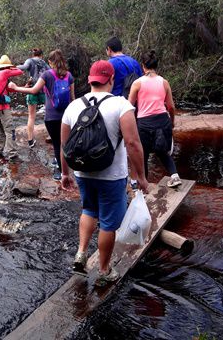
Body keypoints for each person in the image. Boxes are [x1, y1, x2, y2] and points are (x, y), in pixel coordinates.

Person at [60, 60, 149, 286]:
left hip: (82, 173)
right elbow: (133, 143)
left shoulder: (73, 106)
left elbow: (65, 145)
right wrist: (141, 176)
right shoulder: (121, 105)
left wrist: (65, 173)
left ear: (90, 80)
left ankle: (81, 253)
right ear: (111, 79)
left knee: (89, 209)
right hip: (112, 176)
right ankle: (103, 270)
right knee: (108, 223)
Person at [9, 49, 74, 180]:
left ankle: (60, 172)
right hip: (67, 116)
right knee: (65, 143)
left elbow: (33, 91)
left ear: (50, 62)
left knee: (57, 144)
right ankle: (65, 167)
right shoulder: (69, 75)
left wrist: (16, 88)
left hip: (51, 117)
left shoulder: (47, 75)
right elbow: (73, 98)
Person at [127, 50, 182, 188]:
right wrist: (172, 122)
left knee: (143, 154)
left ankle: (143, 187)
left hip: (144, 123)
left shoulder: (137, 83)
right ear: (156, 65)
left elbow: (129, 106)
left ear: (143, 66)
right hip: (163, 121)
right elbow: (171, 107)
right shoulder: (164, 82)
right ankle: (175, 176)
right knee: (162, 151)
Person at [17, 48, 51, 148]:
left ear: (33, 54)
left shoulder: (30, 61)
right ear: (41, 55)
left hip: (32, 90)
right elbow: (50, 72)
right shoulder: (44, 63)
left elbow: (24, 67)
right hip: (43, 90)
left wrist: (12, 68)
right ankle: (50, 135)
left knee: (31, 116)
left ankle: (30, 140)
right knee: (48, 113)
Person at [0, 55, 23, 161]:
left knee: (1, 130)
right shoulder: (4, 72)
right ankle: (13, 155)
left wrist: (22, 88)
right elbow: (20, 71)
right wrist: (12, 68)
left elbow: (7, 90)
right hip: (3, 108)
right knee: (10, 130)